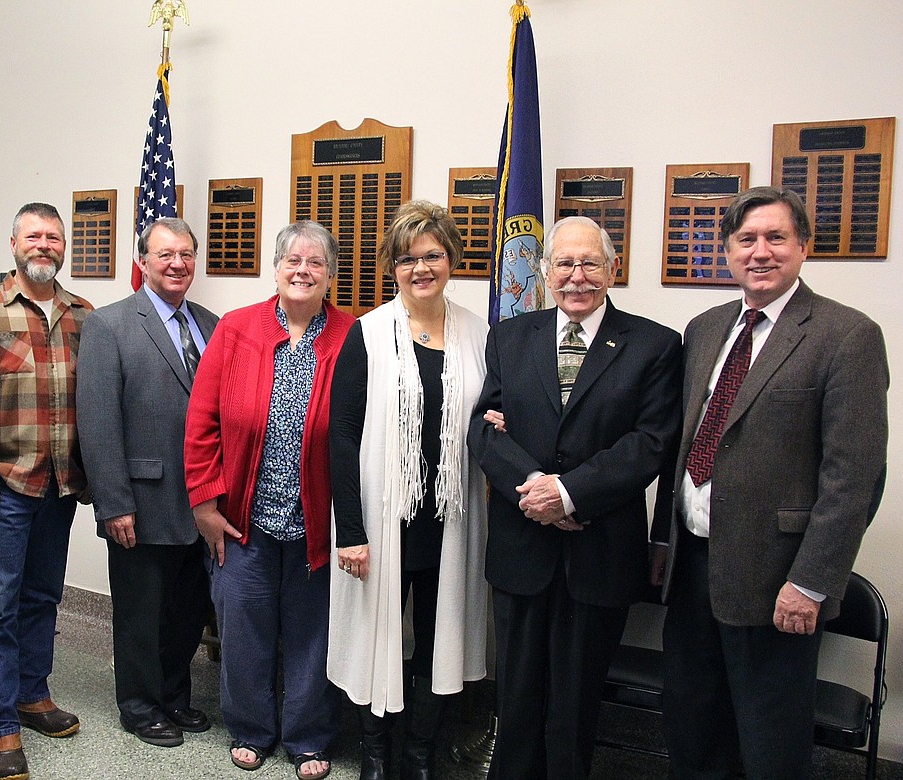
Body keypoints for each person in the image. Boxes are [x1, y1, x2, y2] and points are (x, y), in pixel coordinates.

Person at [652, 186, 889, 779]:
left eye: (776, 238)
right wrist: (663, 541)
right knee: (694, 727)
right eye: (746, 239)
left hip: (776, 576)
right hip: (693, 568)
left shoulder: (846, 335)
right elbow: (683, 448)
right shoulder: (706, 328)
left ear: (803, 247)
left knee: (768, 742)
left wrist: (809, 583)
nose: (761, 252)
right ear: (728, 253)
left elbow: (854, 477)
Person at [468, 215, 681, 779]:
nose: (577, 276)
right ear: (544, 273)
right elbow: (484, 431)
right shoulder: (511, 337)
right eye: (564, 264)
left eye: (589, 263)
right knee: (514, 699)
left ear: (613, 269)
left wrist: (568, 494)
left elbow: (651, 443)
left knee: (575, 706)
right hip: (521, 550)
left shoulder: (655, 345)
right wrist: (535, 494)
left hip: (599, 551)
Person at [184, 221, 354, 780]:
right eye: (292, 261)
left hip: (317, 522)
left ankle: (308, 738)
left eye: (315, 263)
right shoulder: (236, 330)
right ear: (276, 269)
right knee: (244, 629)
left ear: (331, 274)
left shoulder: (353, 336)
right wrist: (205, 504)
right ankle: (251, 729)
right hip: (243, 520)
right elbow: (202, 422)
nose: (302, 271)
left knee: (312, 634)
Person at [329, 201, 489, 780]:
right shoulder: (367, 333)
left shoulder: (479, 331)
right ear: (391, 267)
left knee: (435, 641)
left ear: (451, 259)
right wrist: (350, 530)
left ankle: (421, 752)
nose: (420, 268)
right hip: (382, 518)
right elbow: (342, 435)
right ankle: (376, 752)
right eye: (406, 258)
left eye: (432, 255)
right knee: (380, 634)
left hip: (451, 517)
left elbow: (492, 414)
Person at [0, 202, 92, 780]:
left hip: (59, 488)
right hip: (1, 488)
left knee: (42, 598)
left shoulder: (83, 316)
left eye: (54, 237)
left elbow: (95, 403)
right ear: (13, 243)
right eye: (34, 236)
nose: (45, 246)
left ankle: (33, 694)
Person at [76, 217, 218, 749]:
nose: (177, 263)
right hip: (140, 499)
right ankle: (138, 705)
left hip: (200, 501)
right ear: (142, 261)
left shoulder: (210, 322)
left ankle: (176, 697)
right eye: (165, 254)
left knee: (186, 608)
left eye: (186, 254)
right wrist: (113, 504)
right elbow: (97, 421)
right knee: (141, 612)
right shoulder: (109, 325)